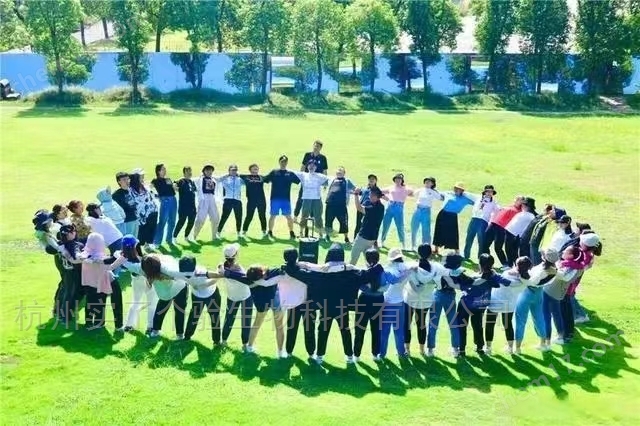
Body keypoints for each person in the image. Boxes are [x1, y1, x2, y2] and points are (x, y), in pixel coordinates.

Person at [286, 243, 368, 364]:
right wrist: (350, 267)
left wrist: (291, 264)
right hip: (342, 307)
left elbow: (298, 273)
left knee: (323, 331)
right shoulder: (350, 273)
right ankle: (349, 356)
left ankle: (320, 356)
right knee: (345, 331)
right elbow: (367, 275)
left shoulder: (321, 273)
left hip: (326, 307)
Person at [404, 244, 461, 357]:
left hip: (410, 299)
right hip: (425, 301)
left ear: (418, 253)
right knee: (421, 325)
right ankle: (422, 350)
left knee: (407, 324)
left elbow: (398, 269)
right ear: (431, 254)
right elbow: (449, 272)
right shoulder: (436, 267)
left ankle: (407, 350)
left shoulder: (411, 266)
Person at [455, 254, 512, 357]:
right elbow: (507, 282)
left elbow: (463, 284)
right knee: (478, 326)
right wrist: (495, 274)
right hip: (480, 305)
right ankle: (480, 347)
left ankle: (461, 350)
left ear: (480, 264)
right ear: (492, 265)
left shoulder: (474, 276)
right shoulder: (492, 277)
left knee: (461, 326)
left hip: (466, 304)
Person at [225, 266, 285, 356]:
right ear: (262, 271)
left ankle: (250, 347)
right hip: (272, 300)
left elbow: (235, 275)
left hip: (262, 303)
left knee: (257, 324)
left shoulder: (249, 279)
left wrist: (225, 271)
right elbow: (281, 270)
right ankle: (280, 353)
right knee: (279, 326)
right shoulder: (270, 273)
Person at [513, 251, 558, 354]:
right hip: (539, 294)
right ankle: (543, 344)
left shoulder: (542, 270)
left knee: (520, 320)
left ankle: (517, 348)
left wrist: (519, 275)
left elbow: (531, 282)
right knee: (539, 318)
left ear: (545, 258)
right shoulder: (553, 269)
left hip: (527, 293)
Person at [80, 232, 126, 331]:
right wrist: (118, 257)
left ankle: (92, 323)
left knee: (92, 302)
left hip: (91, 284)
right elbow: (109, 265)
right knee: (115, 302)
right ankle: (118, 325)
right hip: (104, 282)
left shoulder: (85, 254)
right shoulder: (98, 257)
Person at [141, 255, 189, 339]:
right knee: (179, 311)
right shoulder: (165, 268)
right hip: (178, 289)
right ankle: (179, 335)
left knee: (161, 310)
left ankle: (155, 332)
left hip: (168, 293)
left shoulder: (147, 270)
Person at [180, 256, 224, 347]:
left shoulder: (181, 272)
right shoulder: (200, 272)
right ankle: (216, 341)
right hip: (207, 295)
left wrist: (201, 285)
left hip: (203, 295)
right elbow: (218, 276)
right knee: (213, 317)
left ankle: (187, 336)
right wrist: (219, 269)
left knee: (196, 316)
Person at [379, 248, 413, 359]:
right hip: (400, 302)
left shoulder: (388, 269)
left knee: (385, 330)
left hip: (387, 303)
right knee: (399, 331)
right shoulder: (407, 269)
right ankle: (401, 352)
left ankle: (382, 354)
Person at [353, 249, 386, 362]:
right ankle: (375, 354)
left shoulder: (363, 272)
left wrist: (368, 288)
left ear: (366, 259)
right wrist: (375, 289)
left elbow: (360, 285)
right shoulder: (382, 271)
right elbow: (385, 286)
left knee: (359, 328)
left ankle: (356, 355)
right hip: (378, 301)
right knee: (376, 329)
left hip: (364, 300)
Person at [219, 244, 253, 351]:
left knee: (229, 319)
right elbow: (248, 280)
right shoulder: (238, 270)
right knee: (246, 320)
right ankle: (245, 345)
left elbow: (223, 271)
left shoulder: (221, 267)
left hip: (232, 297)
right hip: (245, 296)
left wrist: (225, 272)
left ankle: (224, 341)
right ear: (236, 255)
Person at [120, 235, 157, 334]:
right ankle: (150, 327)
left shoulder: (123, 257)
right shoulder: (139, 257)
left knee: (135, 301)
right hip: (147, 280)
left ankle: (129, 325)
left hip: (136, 280)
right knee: (152, 303)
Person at [428, 254, 463, 357]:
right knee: (453, 323)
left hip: (438, 295)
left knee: (433, 323)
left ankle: (430, 350)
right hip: (450, 296)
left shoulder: (440, 269)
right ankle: (455, 349)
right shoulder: (458, 272)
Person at [485, 265, 525, 355]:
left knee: (490, 324)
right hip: (509, 305)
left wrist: (494, 274)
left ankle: (488, 348)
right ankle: (510, 348)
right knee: (507, 325)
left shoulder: (507, 273)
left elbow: (502, 280)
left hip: (495, 302)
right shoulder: (524, 281)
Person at [432, 183, 475, 255]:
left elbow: (475, 202)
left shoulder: (465, 198)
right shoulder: (449, 193)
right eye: (456, 188)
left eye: (459, 189)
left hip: (452, 217)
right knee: (439, 231)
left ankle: (457, 252)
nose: (457, 190)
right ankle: (436, 249)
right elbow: (438, 193)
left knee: (453, 233)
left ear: (462, 190)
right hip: (443, 214)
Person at [263, 155, 300, 240]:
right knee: (273, 215)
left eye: (285, 162)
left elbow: (299, 181)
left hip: (286, 200)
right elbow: (265, 179)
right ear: (279, 162)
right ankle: (270, 231)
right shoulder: (274, 172)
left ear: (287, 162)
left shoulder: (290, 173)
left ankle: (291, 232)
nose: (284, 163)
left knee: (288, 216)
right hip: (275, 199)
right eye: (282, 161)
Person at [483, 195, 524, 265]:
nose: (516, 200)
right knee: (484, 244)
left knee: (497, 248)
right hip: (493, 224)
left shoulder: (520, 212)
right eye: (516, 199)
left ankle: (505, 264)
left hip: (502, 228)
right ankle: (486, 262)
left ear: (522, 202)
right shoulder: (509, 206)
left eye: (519, 200)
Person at [293, 161, 329, 239]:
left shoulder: (320, 176)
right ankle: (301, 233)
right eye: (310, 165)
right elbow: (292, 172)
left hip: (317, 199)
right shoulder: (303, 175)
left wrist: (325, 185)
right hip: (306, 198)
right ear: (307, 166)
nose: (311, 167)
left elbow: (329, 179)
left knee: (318, 216)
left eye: (313, 166)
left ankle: (320, 234)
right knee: (304, 216)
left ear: (316, 167)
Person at [463, 185, 499, 261]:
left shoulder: (493, 202)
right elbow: (466, 194)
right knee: (469, 238)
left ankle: (480, 258)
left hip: (483, 221)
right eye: (487, 191)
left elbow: (498, 209)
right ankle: (466, 255)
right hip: (474, 219)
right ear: (484, 192)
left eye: (491, 191)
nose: (489, 193)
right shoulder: (478, 197)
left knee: (481, 240)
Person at [294, 140, 328, 220]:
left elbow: (324, 171)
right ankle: (295, 216)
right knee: (301, 198)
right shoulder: (307, 155)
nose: (315, 147)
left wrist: (325, 183)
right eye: (315, 146)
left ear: (320, 148)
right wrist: (301, 179)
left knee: (314, 199)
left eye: (317, 146)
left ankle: (312, 217)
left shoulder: (323, 158)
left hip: (316, 183)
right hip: (307, 181)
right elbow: (303, 167)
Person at [350, 186, 385, 265]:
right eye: (370, 194)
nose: (370, 196)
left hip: (362, 238)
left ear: (377, 197)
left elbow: (359, 208)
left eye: (372, 195)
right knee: (370, 262)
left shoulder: (372, 208)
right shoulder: (381, 207)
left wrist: (356, 194)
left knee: (352, 261)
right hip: (372, 239)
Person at [379, 174, 413, 249]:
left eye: (399, 179)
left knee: (400, 226)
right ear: (394, 180)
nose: (397, 180)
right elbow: (380, 191)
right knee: (385, 225)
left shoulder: (406, 188)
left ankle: (403, 244)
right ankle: (382, 241)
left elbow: (412, 193)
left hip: (399, 207)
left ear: (402, 180)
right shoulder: (391, 187)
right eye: (396, 179)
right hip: (390, 206)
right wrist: (386, 198)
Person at [324, 166, 356, 243]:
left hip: (341, 206)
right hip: (330, 204)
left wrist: (357, 192)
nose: (339, 172)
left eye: (341, 171)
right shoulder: (331, 179)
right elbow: (321, 182)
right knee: (328, 221)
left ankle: (346, 238)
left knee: (344, 222)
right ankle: (327, 236)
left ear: (344, 173)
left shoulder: (347, 181)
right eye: (338, 171)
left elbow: (355, 189)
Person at [130, 169, 159, 251]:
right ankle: (138, 248)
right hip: (141, 214)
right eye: (141, 176)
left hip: (152, 211)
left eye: (143, 175)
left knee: (151, 229)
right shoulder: (131, 189)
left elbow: (152, 194)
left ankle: (148, 245)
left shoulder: (144, 186)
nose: (143, 177)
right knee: (142, 231)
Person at [504, 197, 537, 268]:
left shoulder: (529, 216)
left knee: (510, 250)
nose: (521, 206)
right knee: (511, 251)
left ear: (527, 206)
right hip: (513, 233)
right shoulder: (525, 214)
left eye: (523, 205)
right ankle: (513, 265)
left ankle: (511, 265)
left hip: (514, 234)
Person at [193, 164, 222, 242]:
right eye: (207, 170)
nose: (209, 172)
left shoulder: (214, 179)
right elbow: (189, 180)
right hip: (203, 199)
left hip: (212, 199)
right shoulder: (200, 179)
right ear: (204, 171)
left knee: (216, 218)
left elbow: (221, 178)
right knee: (200, 219)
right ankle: (194, 236)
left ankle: (214, 236)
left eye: (211, 170)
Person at [151, 163, 178, 247]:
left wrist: (175, 186)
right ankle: (157, 242)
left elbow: (174, 189)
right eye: (163, 169)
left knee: (172, 221)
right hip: (165, 201)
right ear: (158, 171)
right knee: (162, 221)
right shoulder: (155, 181)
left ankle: (169, 239)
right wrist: (158, 196)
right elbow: (150, 190)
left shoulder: (168, 179)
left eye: (165, 169)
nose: (165, 170)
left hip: (173, 200)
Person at [410, 177, 440, 251]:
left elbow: (440, 197)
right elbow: (412, 194)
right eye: (426, 181)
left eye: (429, 181)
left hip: (426, 211)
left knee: (426, 229)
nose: (427, 182)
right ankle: (413, 246)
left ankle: (426, 247)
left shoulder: (433, 192)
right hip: (418, 210)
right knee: (414, 228)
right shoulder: (420, 190)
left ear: (432, 184)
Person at [240, 164, 268, 238]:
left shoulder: (261, 177)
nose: (256, 169)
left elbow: (270, 178)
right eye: (254, 168)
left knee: (262, 216)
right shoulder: (246, 177)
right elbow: (235, 174)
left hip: (261, 200)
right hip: (251, 201)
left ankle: (264, 231)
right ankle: (244, 231)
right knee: (249, 216)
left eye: (257, 168)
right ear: (250, 170)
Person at [217, 164, 245, 239]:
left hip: (237, 200)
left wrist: (240, 175)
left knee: (239, 217)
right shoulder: (225, 179)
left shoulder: (239, 179)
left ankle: (238, 232)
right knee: (224, 217)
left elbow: (247, 182)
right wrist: (227, 175)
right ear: (229, 171)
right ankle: (218, 232)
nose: (234, 171)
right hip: (228, 200)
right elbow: (218, 180)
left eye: (235, 170)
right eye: (232, 170)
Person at [174, 166, 197, 243]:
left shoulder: (192, 182)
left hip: (192, 206)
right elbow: (174, 184)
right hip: (183, 206)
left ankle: (186, 236)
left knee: (191, 222)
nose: (189, 173)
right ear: (184, 173)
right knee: (181, 222)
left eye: (190, 171)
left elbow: (194, 191)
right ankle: (174, 237)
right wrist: (175, 187)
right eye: (187, 171)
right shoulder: (181, 181)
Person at [112, 172, 139, 237]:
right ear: (119, 182)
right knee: (128, 240)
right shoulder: (116, 195)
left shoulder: (132, 191)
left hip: (135, 219)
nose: (127, 181)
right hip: (126, 222)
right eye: (124, 179)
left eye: (128, 179)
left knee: (135, 240)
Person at [353, 174, 378, 239]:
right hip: (360, 208)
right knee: (358, 225)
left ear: (376, 181)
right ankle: (355, 240)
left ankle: (368, 240)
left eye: (373, 179)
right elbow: (358, 193)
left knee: (367, 226)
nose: (371, 180)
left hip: (368, 210)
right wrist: (357, 190)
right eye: (370, 179)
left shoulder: (376, 190)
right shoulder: (365, 189)